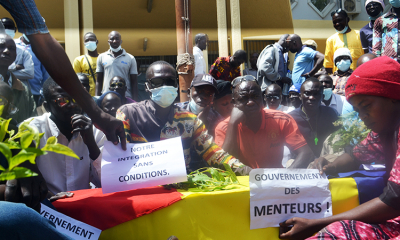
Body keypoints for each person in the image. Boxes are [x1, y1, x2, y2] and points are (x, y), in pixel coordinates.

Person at [279, 56, 400, 240]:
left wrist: (317, 223)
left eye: (366, 106)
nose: (362, 117)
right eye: (357, 111)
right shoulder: (383, 131)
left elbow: (393, 201)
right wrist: (331, 165)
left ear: (393, 96)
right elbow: (356, 156)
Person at [116, 61, 251, 175]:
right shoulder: (128, 114)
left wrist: (250, 172)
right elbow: (120, 158)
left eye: (169, 81)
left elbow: (214, 153)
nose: (164, 86)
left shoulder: (190, 121)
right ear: (147, 87)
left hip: (180, 192)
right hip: (141, 191)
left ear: (175, 85)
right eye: (157, 81)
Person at [22, 77, 105, 195]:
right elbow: (28, 184)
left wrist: (91, 143)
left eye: (76, 99)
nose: (72, 105)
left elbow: (106, 182)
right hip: (47, 206)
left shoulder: (95, 130)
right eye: (62, 101)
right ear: (47, 106)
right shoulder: (30, 130)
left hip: (84, 204)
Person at [215, 76, 314, 168]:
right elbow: (224, 164)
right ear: (234, 103)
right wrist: (233, 124)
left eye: (255, 97)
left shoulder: (282, 119)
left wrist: (285, 178)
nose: (250, 102)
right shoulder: (223, 127)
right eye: (244, 98)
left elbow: (305, 153)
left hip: (274, 182)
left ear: (262, 98)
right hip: (242, 183)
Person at [289, 78, 339, 157]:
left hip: (326, 161)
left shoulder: (331, 114)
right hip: (300, 162)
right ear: (300, 96)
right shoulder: (291, 118)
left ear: (322, 97)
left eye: (316, 94)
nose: (311, 97)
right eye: (307, 93)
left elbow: (340, 141)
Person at [0, 33, 36, 123]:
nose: (6, 51)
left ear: (15, 55)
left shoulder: (24, 90)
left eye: (12, 48)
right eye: (1, 46)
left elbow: (33, 122)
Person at [96, 31, 138, 100]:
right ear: (108, 41)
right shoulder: (101, 57)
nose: (114, 41)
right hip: (107, 96)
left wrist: (135, 101)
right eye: (112, 39)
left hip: (125, 97)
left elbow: (134, 82)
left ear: (121, 41)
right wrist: (97, 98)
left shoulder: (130, 58)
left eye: (117, 39)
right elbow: (98, 80)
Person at [14, 29, 49, 106]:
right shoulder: (13, 44)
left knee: (31, 117)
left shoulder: (42, 49)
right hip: (14, 89)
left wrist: (43, 94)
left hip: (34, 92)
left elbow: (46, 74)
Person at [324, 9, 363, 74]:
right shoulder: (330, 40)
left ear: (347, 20)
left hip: (358, 77)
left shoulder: (360, 35)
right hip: (339, 80)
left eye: (340, 20)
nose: (337, 24)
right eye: (334, 22)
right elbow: (328, 65)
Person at [1, 17, 35, 85]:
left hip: (18, 90)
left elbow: (30, 73)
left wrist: (5, 72)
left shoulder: (23, 52)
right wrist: (16, 67)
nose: (6, 29)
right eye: (4, 27)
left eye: (9, 27)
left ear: (15, 30)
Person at [73, 32, 99, 96]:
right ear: (84, 44)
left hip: (103, 94)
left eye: (92, 39)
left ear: (97, 41)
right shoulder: (79, 60)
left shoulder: (103, 58)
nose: (89, 42)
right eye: (87, 40)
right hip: (87, 95)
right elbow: (76, 80)